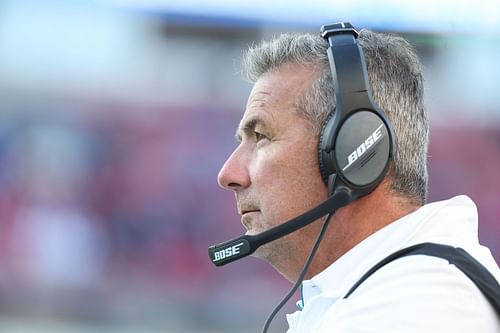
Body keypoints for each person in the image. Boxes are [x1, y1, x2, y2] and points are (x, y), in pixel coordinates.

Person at [216, 26, 500, 332]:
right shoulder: (392, 289)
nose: (227, 174)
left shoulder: (411, 305)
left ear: (354, 149)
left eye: (261, 136)